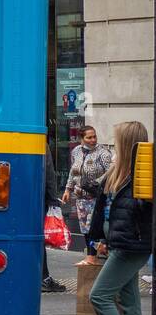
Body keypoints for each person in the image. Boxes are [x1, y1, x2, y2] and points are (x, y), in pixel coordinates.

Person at [86, 120, 152, 315]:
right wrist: (97, 243)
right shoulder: (117, 172)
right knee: (129, 297)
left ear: (127, 144)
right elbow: (102, 212)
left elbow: (142, 213)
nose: (112, 145)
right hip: (119, 243)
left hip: (131, 245)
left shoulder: (143, 175)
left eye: (116, 140)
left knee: (99, 295)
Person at [63, 125, 112, 240]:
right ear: (82, 139)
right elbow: (73, 171)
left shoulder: (103, 152)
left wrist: (96, 182)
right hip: (81, 198)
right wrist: (68, 189)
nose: (93, 140)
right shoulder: (76, 151)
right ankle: (90, 255)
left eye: (94, 137)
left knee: (95, 228)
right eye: (89, 138)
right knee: (85, 228)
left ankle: (93, 255)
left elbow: (111, 173)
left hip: (96, 197)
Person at [42, 143, 66, 292]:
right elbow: (49, 173)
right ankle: (44, 279)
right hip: (38, 201)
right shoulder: (40, 143)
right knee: (38, 241)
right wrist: (53, 200)